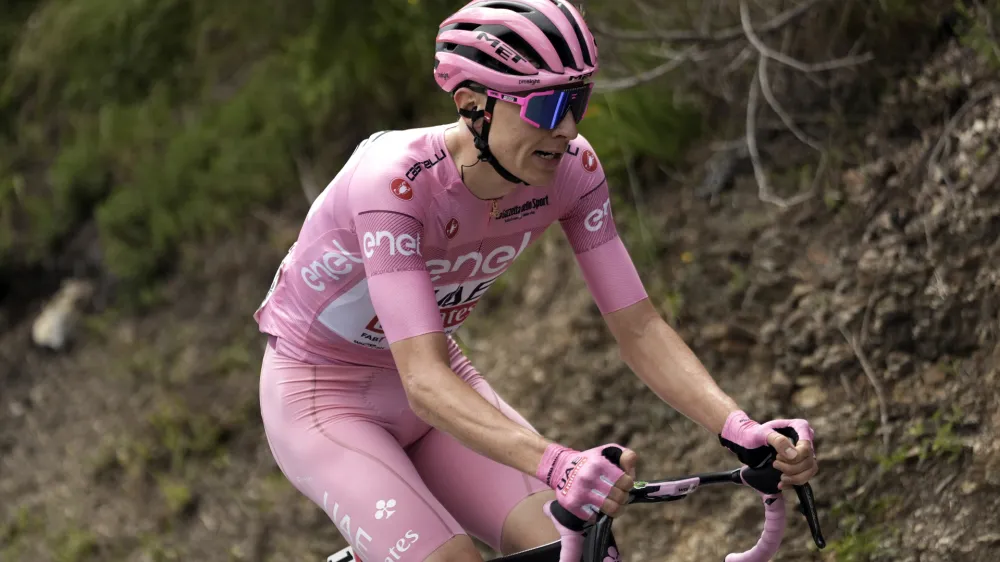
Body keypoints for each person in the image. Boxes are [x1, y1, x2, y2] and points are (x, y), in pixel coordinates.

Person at [253, 1, 819, 561]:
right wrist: (557, 463)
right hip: (322, 398)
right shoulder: (395, 184)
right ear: (473, 106)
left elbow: (640, 327)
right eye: (546, 107)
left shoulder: (573, 170)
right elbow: (422, 380)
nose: (568, 128)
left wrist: (736, 425)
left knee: (578, 549)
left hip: (439, 392)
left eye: (577, 100)